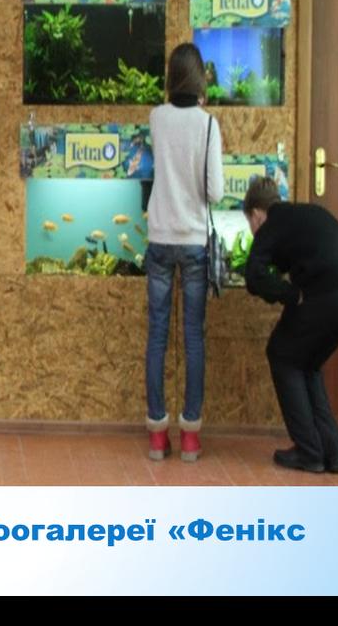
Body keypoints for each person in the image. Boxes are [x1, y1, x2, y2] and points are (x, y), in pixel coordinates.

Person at [243, 176, 338, 473]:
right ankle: (331, 451)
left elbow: (253, 276)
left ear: (256, 214)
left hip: (326, 292)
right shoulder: (304, 214)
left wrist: (289, 294)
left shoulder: (271, 224)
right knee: (307, 364)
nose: (252, 230)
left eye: (250, 223)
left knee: (281, 354)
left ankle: (309, 452)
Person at [145, 43, 223, 462]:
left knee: (157, 335)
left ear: (171, 76)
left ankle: (158, 436)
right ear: (200, 77)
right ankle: (190, 435)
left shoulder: (156, 118)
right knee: (193, 337)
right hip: (193, 240)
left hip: (159, 237)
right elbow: (216, 191)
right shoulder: (208, 125)